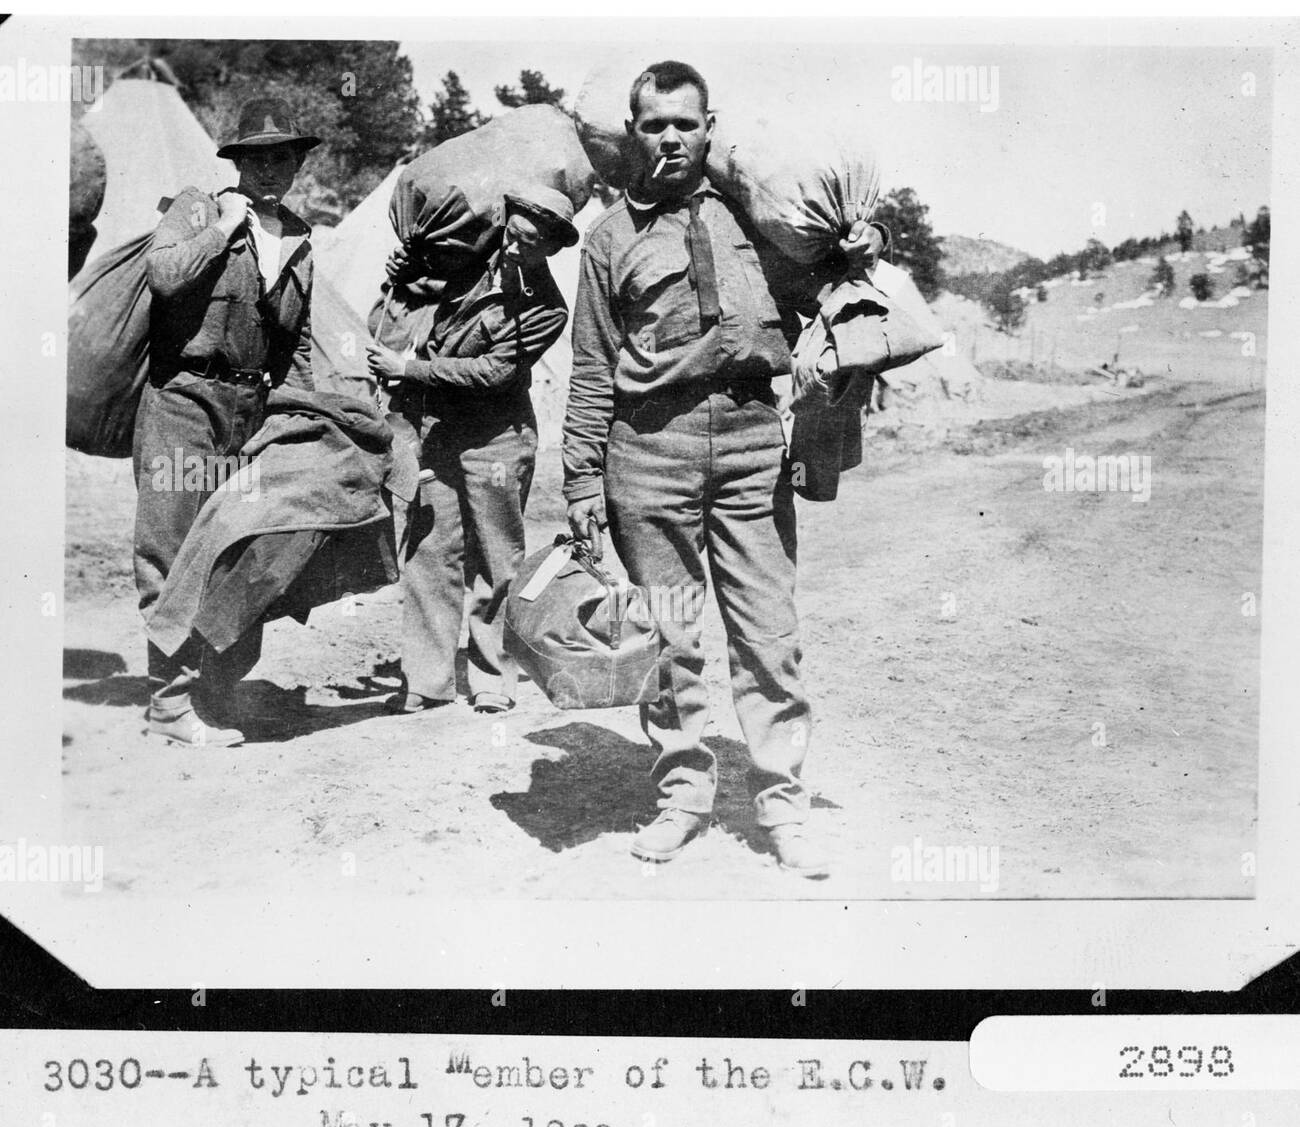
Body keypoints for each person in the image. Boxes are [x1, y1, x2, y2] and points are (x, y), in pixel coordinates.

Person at [561, 60, 885, 873]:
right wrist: (578, 480)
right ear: (633, 134)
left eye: (684, 123)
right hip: (649, 453)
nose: (670, 138)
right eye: (653, 124)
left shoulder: (764, 223)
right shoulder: (609, 242)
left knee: (768, 634)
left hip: (748, 444)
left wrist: (874, 239)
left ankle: (783, 806)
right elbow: (593, 368)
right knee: (671, 639)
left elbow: (843, 278)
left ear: (710, 128)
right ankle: (683, 798)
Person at [134, 95, 319, 746]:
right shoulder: (198, 206)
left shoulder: (299, 237)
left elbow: (293, 344)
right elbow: (162, 275)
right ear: (236, 162)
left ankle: (218, 693)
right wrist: (223, 228)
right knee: (173, 551)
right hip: (184, 398)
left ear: (297, 163)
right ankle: (168, 706)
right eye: (257, 157)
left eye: (283, 157)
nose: (270, 169)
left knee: (238, 549)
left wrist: (300, 417)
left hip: (251, 409)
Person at [366, 186, 577, 715]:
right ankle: (426, 679)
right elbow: (417, 291)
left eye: (530, 244)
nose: (514, 249)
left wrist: (408, 370)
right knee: (430, 552)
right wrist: (405, 270)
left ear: (550, 250)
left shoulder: (547, 309)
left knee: (495, 558)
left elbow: (494, 372)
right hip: (439, 433)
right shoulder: (471, 261)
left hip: (497, 440)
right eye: (512, 235)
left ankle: (492, 677)